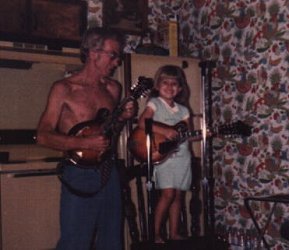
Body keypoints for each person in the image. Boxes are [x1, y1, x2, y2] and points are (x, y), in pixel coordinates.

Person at [37, 28, 137, 250]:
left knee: (112, 242)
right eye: (113, 55)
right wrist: (83, 143)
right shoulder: (63, 89)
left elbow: (110, 133)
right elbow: (43, 135)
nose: (117, 62)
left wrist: (123, 117)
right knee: (75, 243)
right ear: (93, 53)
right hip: (78, 173)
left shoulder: (113, 88)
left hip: (108, 171)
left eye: (118, 56)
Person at [138, 65, 195, 244]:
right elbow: (143, 122)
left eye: (174, 84)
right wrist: (165, 129)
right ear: (157, 85)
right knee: (168, 194)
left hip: (182, 157)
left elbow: (188, 135)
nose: (169, 87)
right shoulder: (154, 103)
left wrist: (207, 134)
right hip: (164, 157)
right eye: (165, 82)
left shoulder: (184, 111)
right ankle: (154, 234)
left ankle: (174, 232)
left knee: (178, 195)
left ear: (179, 89)